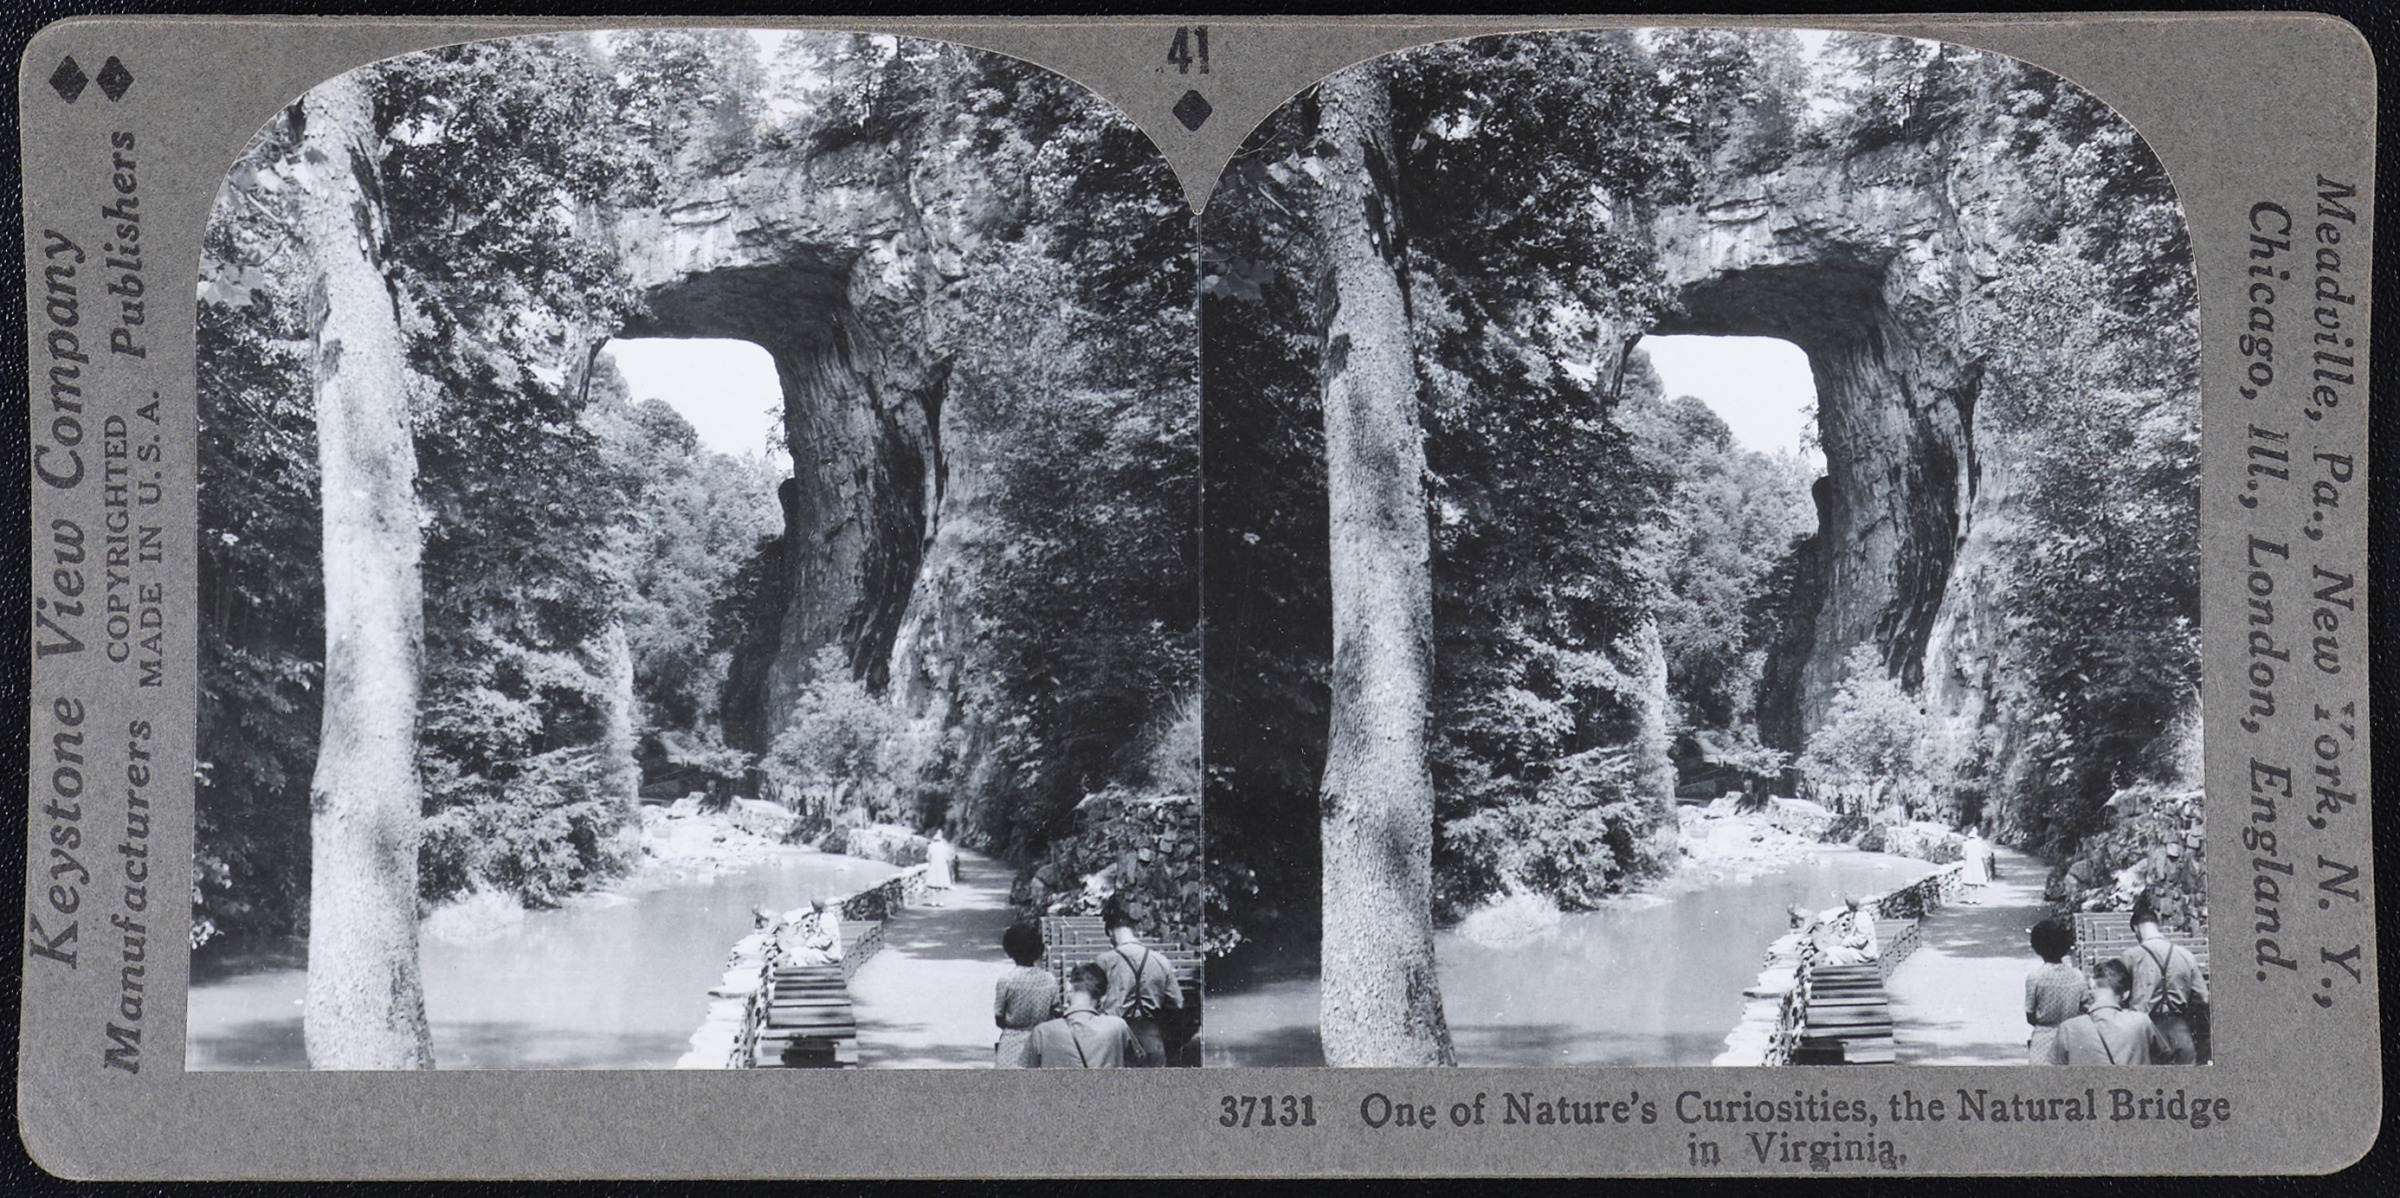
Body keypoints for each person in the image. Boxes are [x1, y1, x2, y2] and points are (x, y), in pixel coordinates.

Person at [1094, 900, 1185, 1067]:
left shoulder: (1104, 961)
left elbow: (1091, 1002)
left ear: (1111, 933)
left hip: (1115, 1037)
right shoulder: (1161, 961)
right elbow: (1178, 1003)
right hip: (1151, 1037)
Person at [2120, 894, 2208, 1064]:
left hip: (2145, 1031)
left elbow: (2120, 996)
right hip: (2180, 1030)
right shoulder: (2186, 955)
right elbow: (2203, 997)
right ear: (2156, 925)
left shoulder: (2130, 956)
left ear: (2137, 928)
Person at [2044, 957, 2172, 1065]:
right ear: (2126, 994)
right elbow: (2165, 1057)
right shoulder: (2141, 1022)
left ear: (2091, 985)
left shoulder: (2068, 1028)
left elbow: (2052, 1072)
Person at [1025, 963, 1133, 1069]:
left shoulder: (1042, 1032)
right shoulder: (1118, 1028)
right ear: (1103, 997)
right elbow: (1137, 1062)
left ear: (1069, 989)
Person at [993, 920, 1060, 1068]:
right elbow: (1055, 1012)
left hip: (1011, 1042)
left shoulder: (1007, 980)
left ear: (1010, 949)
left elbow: (999, 1018)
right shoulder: (1049, 979)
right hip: (1042, 1042)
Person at [2024, 915, 2090, 1064]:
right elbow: (2084, 1008)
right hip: (2072, 1038)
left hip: (2043, 1040)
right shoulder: (2077, 976)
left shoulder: (2035, 977)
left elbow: (2030, 1015)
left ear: (2037, 947)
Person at [1814, 894, 1880, 966]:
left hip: (1865, 953)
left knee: (1832, 952)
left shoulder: (1861, 918)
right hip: (1864, 950)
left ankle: (1841, 971)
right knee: (1834, 951)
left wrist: (1846, 942)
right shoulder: (1861, 914)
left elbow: (1860, 940)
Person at [778, 897, 842, 966]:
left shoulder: (826, 918)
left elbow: (825, 941)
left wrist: (810, 943)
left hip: (829, 955)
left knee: (796, 953)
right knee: (797, 951)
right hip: (826, 952)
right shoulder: (825, 916)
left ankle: (804, 973)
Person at [924, 828, 957, 908]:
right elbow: (947, 858)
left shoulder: (930, 847)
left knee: (933, 884)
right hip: (942, 866)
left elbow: (927, 857)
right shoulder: (945, 848)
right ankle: (941, 901)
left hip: (933, 866)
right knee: (941, 884)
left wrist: (930, 860)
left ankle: (934, 901)